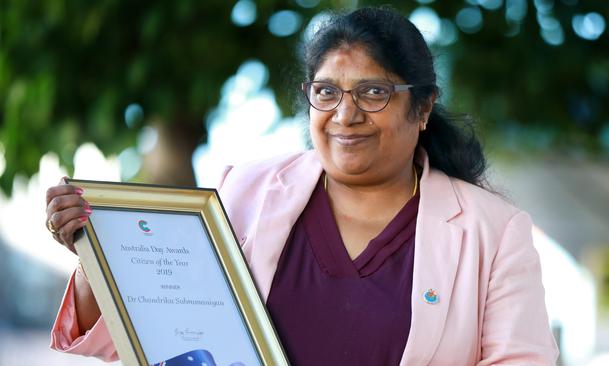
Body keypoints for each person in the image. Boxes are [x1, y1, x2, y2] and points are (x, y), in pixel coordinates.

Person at [45, 7, 558, 365]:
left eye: (374, 92)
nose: (346, 114)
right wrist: (95, 255)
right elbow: (154, 334)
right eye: (326, 91)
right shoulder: (242, 193)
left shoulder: (494, 232)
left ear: (422, 108)